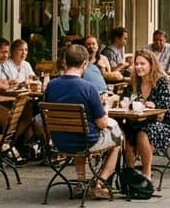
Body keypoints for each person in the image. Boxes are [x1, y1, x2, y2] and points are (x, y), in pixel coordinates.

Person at [44, 44, 124, 199]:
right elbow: (101, 123)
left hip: (59, 141)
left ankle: (81, 182)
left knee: (79, 131)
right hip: (86, 141)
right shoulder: (88, 88)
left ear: (65, 62)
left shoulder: (51, 86)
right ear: (85, 64)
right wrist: (105, 108)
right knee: (119, 138)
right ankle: (99, 182)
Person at [121, 49, 170, 180]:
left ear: (151, 64)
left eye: (142, 64)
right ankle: (130, 173)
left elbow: (164, 106)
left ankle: (147, 174)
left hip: (162, 124)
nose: (139, 67)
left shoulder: (161, 81)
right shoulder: (134, 82)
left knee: (142, 133)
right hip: (137, 121)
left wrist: (154, 105)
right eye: (136, 64)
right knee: (126, 132)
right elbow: (125, 99)